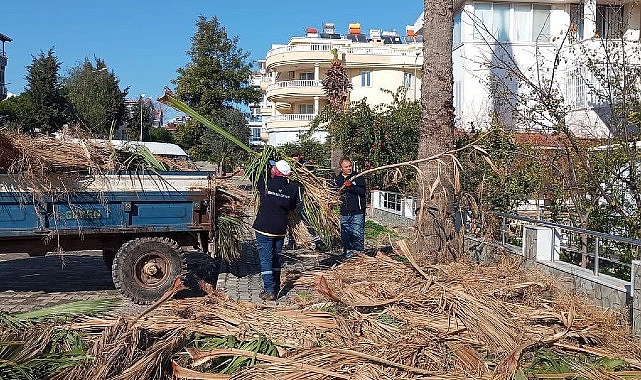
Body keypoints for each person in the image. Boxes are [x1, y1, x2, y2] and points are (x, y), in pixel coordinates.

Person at [253, 159, 301, 301]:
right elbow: (293, 207)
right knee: (276, 258)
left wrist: (261, 160)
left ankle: (269, 290)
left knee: (266, 259)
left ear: (276, 171)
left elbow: (254, 175)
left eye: (273, 168)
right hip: (280, 229)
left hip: (264, 228)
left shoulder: (267, 183)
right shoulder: (292, 188)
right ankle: (276, 286)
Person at [334, 157, 366, 259]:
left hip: (357, 212)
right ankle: (348, 255)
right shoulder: (337, 180)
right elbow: (335, 194)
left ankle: (359, 255)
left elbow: (362, 191)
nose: (349, 168)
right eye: (346, 167)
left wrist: (351, 186)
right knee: (346, 235)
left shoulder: (358, 176)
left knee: (357, 233)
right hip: (344, 212)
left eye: (350, 166)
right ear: (341, 168)